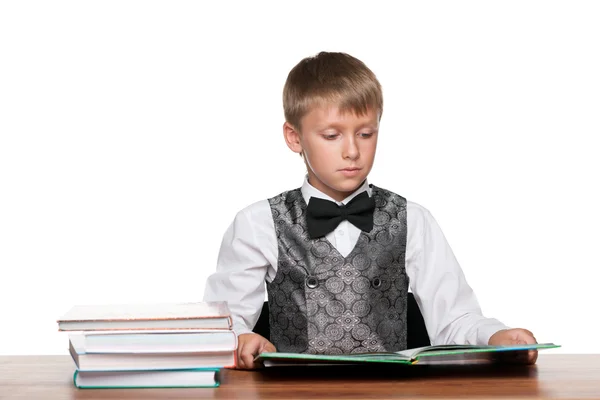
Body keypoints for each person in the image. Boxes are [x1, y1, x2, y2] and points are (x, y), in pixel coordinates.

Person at [203, 51, 538, 369]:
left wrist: (495, 337)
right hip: (294, 393)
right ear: (294, 137)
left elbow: (454, 319)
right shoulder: (256, 223)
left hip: (392, 393)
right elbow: (222, 326)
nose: (352, 151)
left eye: (366, 133)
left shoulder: (413, 219)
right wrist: (244, 340)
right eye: (332, 135)